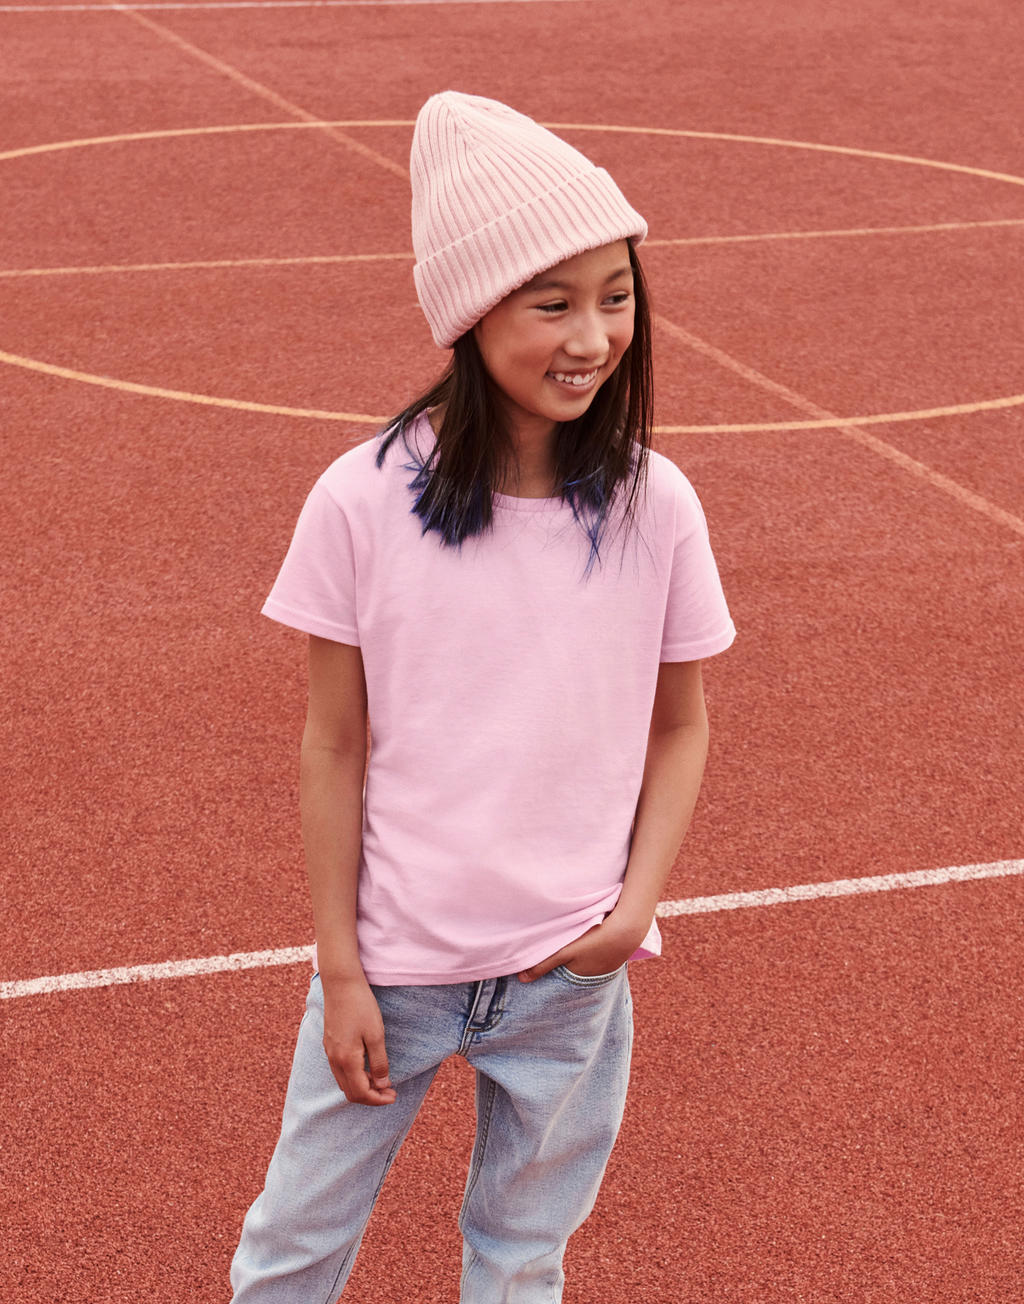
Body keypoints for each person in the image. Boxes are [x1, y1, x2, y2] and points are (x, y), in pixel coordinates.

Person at [229, 91, 735, 1303]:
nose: (592, 336)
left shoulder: (655, 503)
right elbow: (333, 744)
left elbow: (679, 723)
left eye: (615, 296)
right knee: (291, 1251)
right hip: (395, 963)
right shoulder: (360, 499)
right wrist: (341, 967)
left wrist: (631, 911)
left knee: (520, 1260)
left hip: (571, 970)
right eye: (550, 302)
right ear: (470, 312)